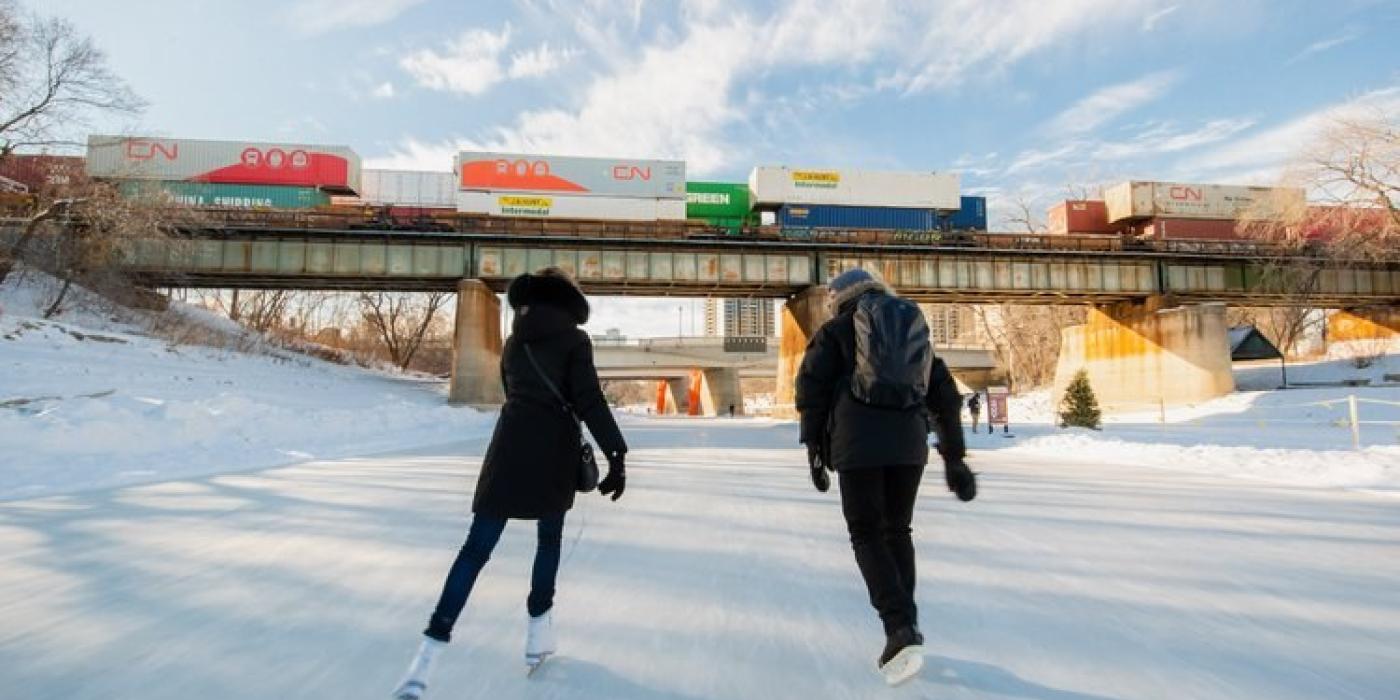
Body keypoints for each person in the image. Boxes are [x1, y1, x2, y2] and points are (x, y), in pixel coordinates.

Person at [392, 268, 627, 700]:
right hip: (553, 449)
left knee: (475, 548)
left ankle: (426, 654)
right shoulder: (575, 340)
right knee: (549, 540)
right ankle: (538, 633)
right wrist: (616, 453)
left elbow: (509, 388)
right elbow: (588, 399)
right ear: (567, 300)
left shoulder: (515, 340)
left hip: (509, 446)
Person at [795, 268, 976, 685]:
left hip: (858, 448)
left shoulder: (836, 331)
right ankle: (905, 625)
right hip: (909, 446)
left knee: (867, 534)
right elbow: (944, 396)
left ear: (838, 299)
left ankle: (899, 629)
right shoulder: (911, 329)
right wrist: (954, 458)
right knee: (897, 531)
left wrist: (814, 454)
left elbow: (812, 394)